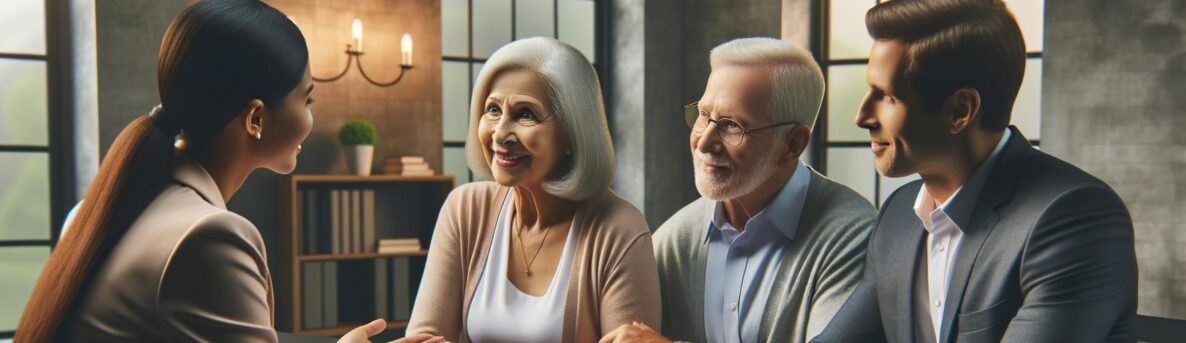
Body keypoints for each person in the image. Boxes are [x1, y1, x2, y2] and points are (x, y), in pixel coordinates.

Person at [14, 1, 437, 342]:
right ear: (256, 118)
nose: (310, 119)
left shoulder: (100, 209)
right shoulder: (210, 237)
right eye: (307, 100)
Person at [813, 0, 1137, 342]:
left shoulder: (1073, 217)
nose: (862, 116)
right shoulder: (898, 217)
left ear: (960, 110)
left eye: (887, 96)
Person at [602, 38, 877, 343]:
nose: (704, 142)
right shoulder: (673, 241)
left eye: (732, 125)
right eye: (704, 115)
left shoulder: (854, 237)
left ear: (793, 144)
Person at [403, 37, 662, 342]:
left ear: (571, 134)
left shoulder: (620, 230)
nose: (500, 134)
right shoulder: (465, 208)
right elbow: (425, 336)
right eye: (493, 110)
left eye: (525, 114)